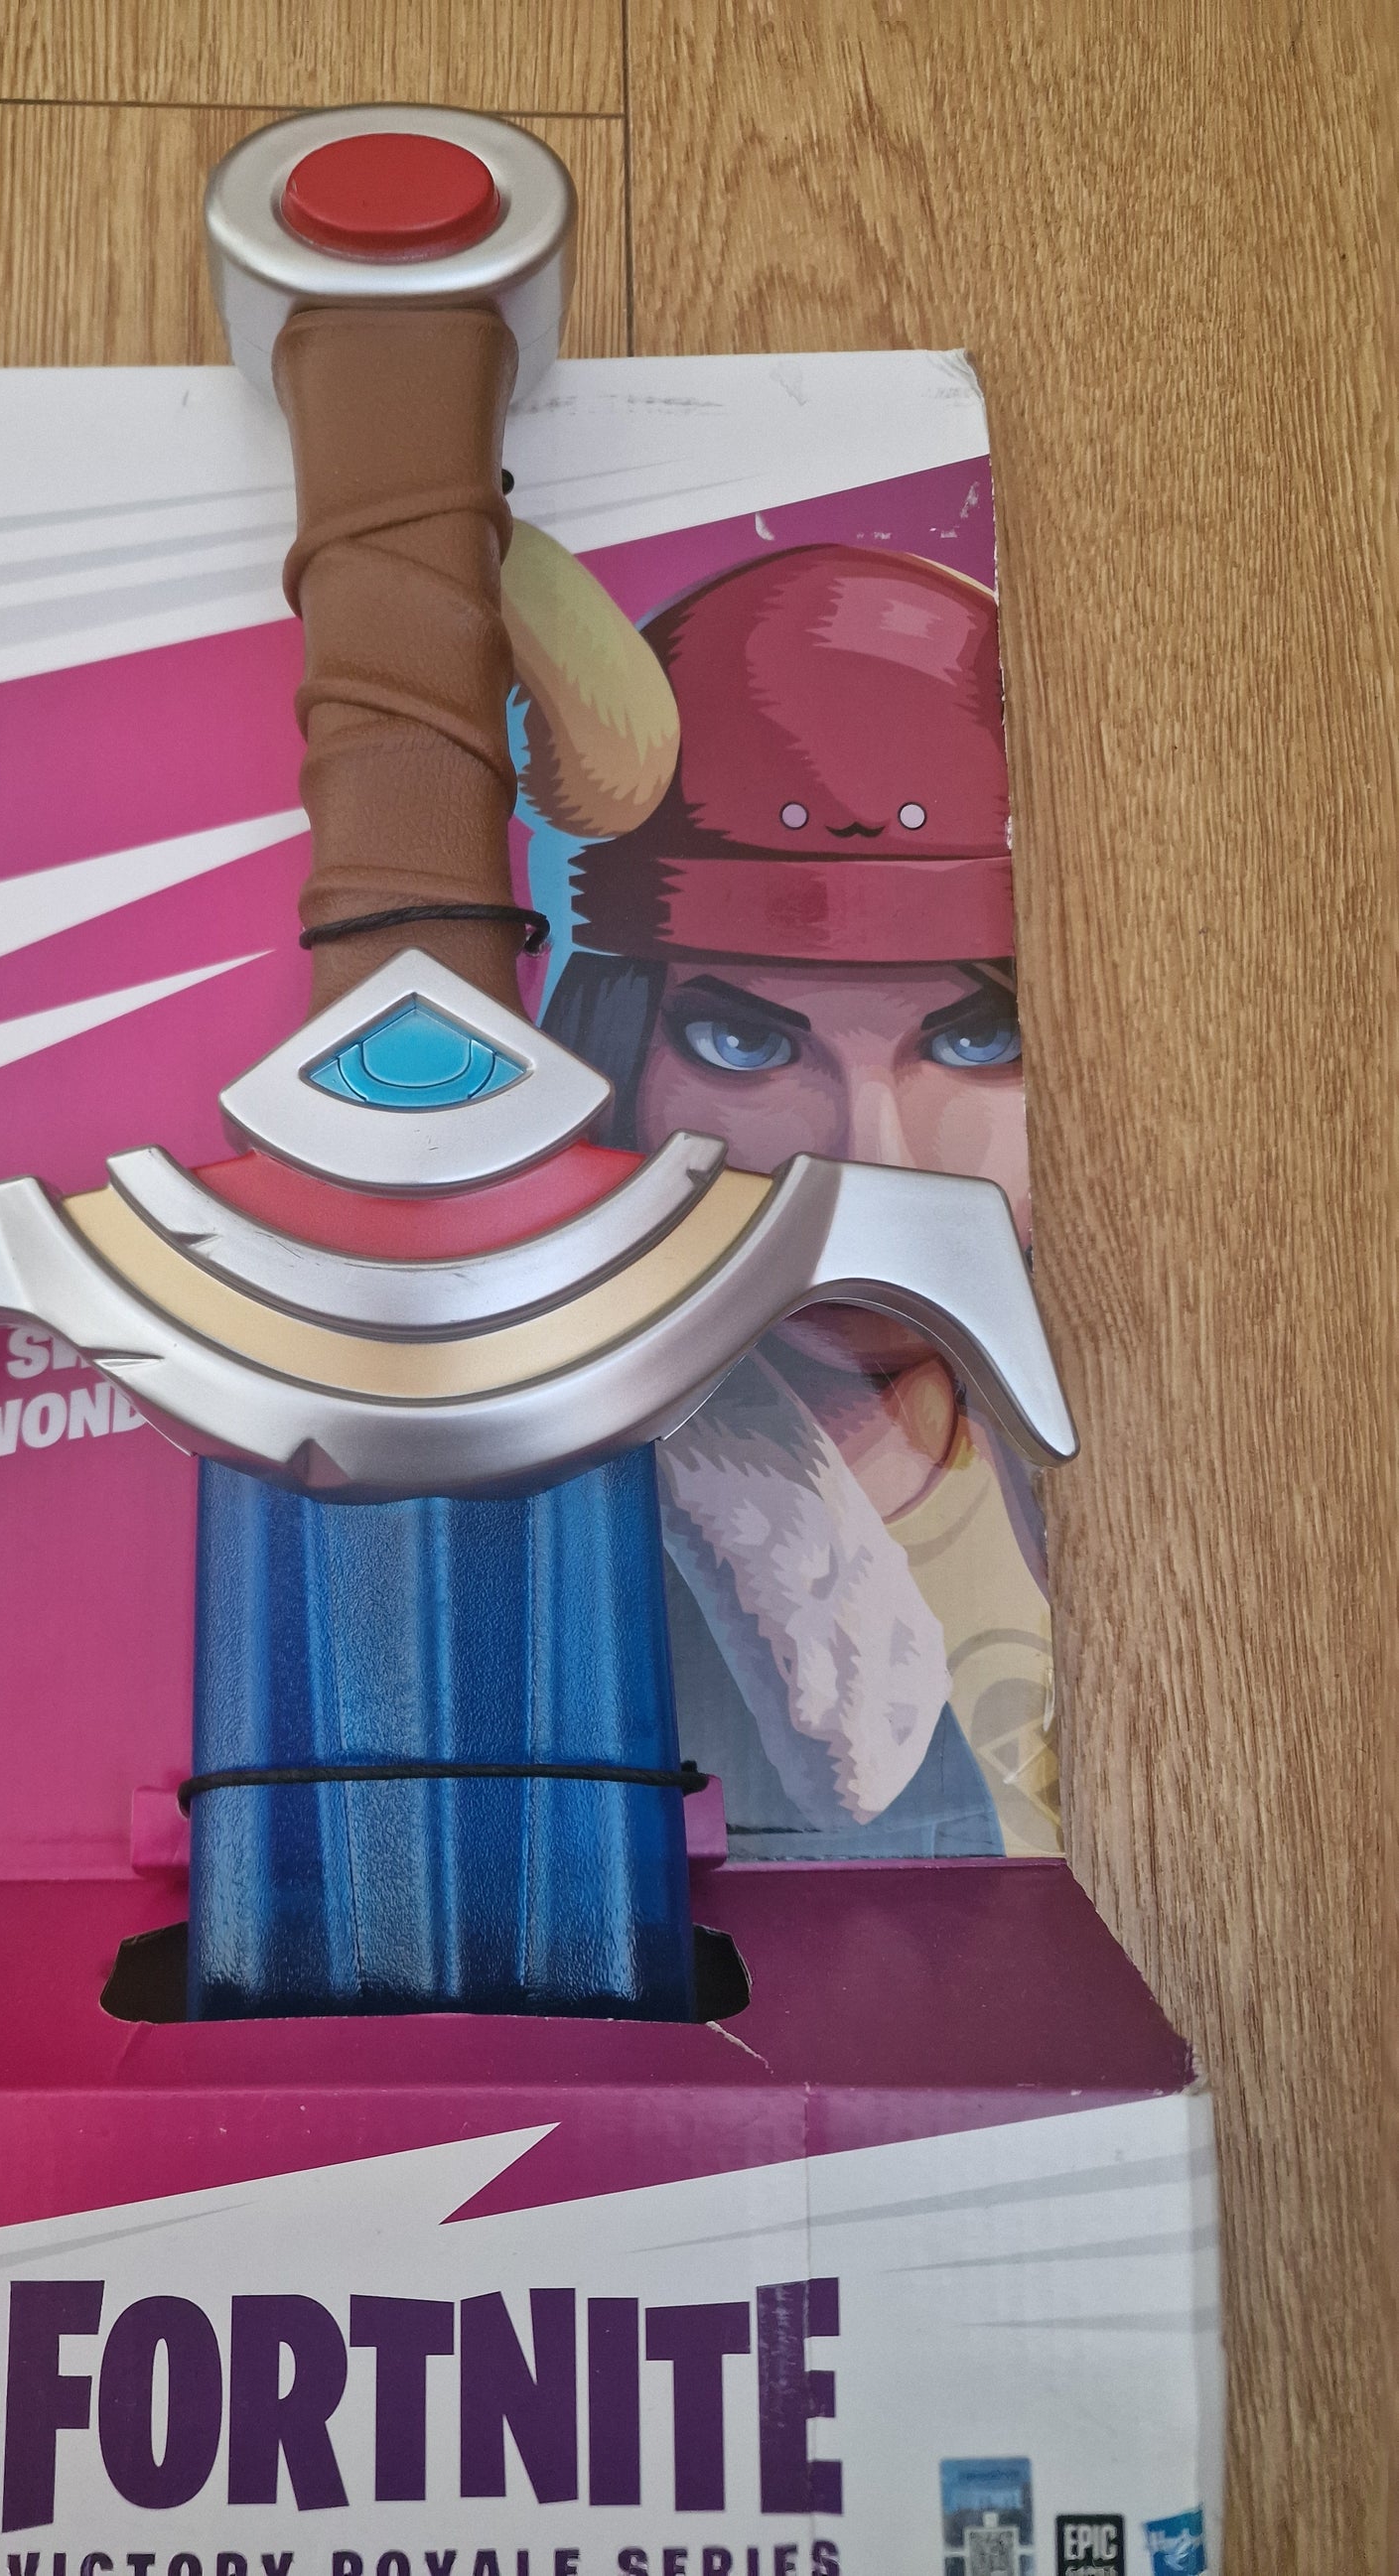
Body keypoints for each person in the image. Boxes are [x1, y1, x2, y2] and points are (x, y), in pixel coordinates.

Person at [508, 535, 1058, 1857]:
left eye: (974, 1038)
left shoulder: (1201, 1466)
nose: (868, 1157)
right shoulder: (557, 1561)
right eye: (745, 1043)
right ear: (615, 1062)